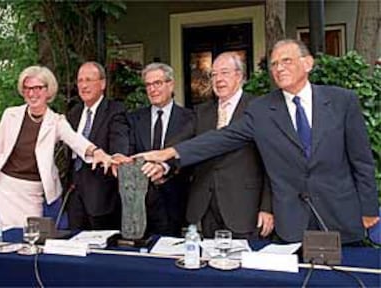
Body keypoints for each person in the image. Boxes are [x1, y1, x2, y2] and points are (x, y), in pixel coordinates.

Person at [137, 39, 380, 244]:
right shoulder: (263, 109)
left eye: (287, 61)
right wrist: (168, 153)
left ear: (308, 64)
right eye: (274, 64)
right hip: (292, 220)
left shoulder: (342, 101)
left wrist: (369, 209)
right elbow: (222, 138)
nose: (279, 68)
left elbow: (362, 161)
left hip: (339, 214)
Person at [0, 65, 112, 227]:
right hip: (0, 188)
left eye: (38, 88)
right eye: (27, 88)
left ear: (48, 90)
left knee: (27, 243)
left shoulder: (56, 121)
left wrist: (97, 152)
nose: (32, 93)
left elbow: (76, 140)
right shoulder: (10, 115)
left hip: (31, 194)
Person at [184, 52, 273, 239]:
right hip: (206, 208)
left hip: (244, 209)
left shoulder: (258, 108)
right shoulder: (202, 111)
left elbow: (271, 163)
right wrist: (162, 162)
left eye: (224, 72)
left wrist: (267, 207)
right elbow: (184, 144)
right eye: (214, 74)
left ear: (239, 76)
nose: (218, 79)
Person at [125, 62, 195, 236]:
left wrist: (167, 169)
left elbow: (189, 156)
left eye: (158, 83)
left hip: (176, 201)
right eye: (148, 85)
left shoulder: (190, 118)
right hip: (139, 204)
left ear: (170, 84)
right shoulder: (134, 118)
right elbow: (131, 154)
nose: (152, 89)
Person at [66, 61, 129, 230]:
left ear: (102, 84)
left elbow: (119, 140)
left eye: (89, 80)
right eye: (80, 81)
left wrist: (117, 155)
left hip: (101, 196)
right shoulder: (73, 114)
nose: (83, 85)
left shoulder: (115, 110)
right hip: (73, 195)